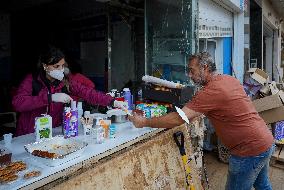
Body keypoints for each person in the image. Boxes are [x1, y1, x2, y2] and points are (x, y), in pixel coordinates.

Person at [129, 52, 275, 190]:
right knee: (263, 186)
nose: (189, 75)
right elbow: (228, 106)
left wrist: (144, 122)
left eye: (192, 70)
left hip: (248, 151)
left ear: (205, 68)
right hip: (265, 141)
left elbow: (178, 118)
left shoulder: (211, 91)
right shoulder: (228, 79)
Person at [12, 46, 127, 136]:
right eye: (56, 66)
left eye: (62, 66)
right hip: (28, 135)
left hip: (53, 133)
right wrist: (49, 97)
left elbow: (88, 92)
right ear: (45, 66)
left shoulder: (64, 81)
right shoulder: (32, 80)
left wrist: (112, 101)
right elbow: (18, 103)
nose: (60, 70)